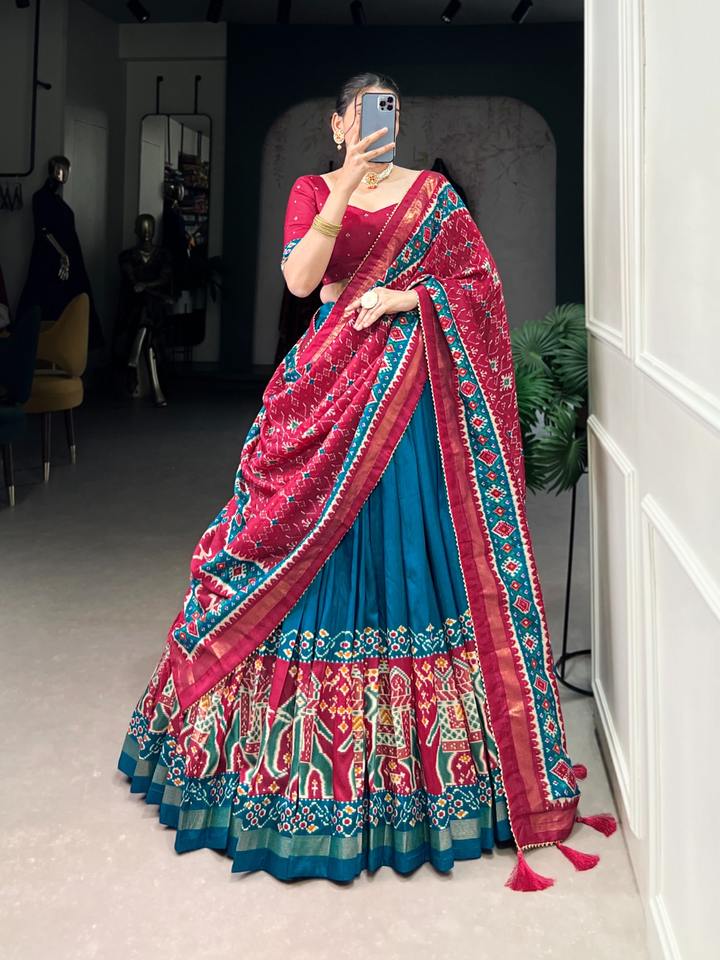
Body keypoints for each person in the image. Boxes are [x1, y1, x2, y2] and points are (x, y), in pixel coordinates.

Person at [117, 72, 616, 888]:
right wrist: (344, 188)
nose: (381, 122)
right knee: (293, 542)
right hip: (329, 384)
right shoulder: (313, 189)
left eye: (392, 111)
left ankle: (439, 778)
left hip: (412, 400)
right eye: (366, 111)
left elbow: (478, 287)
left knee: (412, 557)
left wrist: (405, 298)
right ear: (338, 123)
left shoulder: (433, 197)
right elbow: (300, 282)